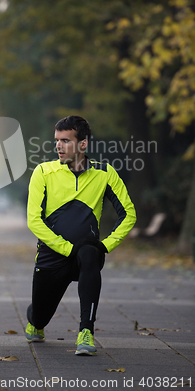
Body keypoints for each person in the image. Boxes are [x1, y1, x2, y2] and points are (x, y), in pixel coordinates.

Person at [25, 115, 136, 355]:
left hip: (83, 255)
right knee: (39, 318)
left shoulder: (104, 173)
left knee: (89, 252)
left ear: (82, 144)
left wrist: (105, 246)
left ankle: (86, 331)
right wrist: (66, 248)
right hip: (51, 256)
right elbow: (34, 220)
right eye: (57, 140)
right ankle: (34, 319)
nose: (58, 146)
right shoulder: (43, 172)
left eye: (65, 140)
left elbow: (128, 214)